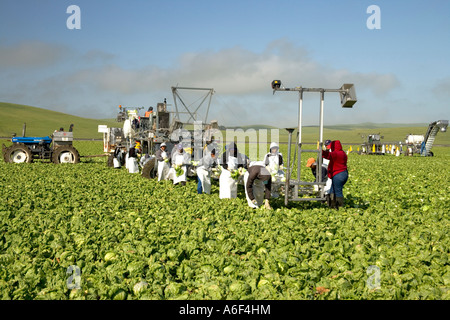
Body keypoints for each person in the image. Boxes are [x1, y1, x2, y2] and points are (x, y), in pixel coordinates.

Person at [322, 140, 348, 210]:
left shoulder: (336, 153)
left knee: (337, 191)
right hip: (344, 173)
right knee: (332, 190)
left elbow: (328, 155)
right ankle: (332, 206)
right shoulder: (343, 153)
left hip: (338, 174)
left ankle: (339, 207)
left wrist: (321, 152)